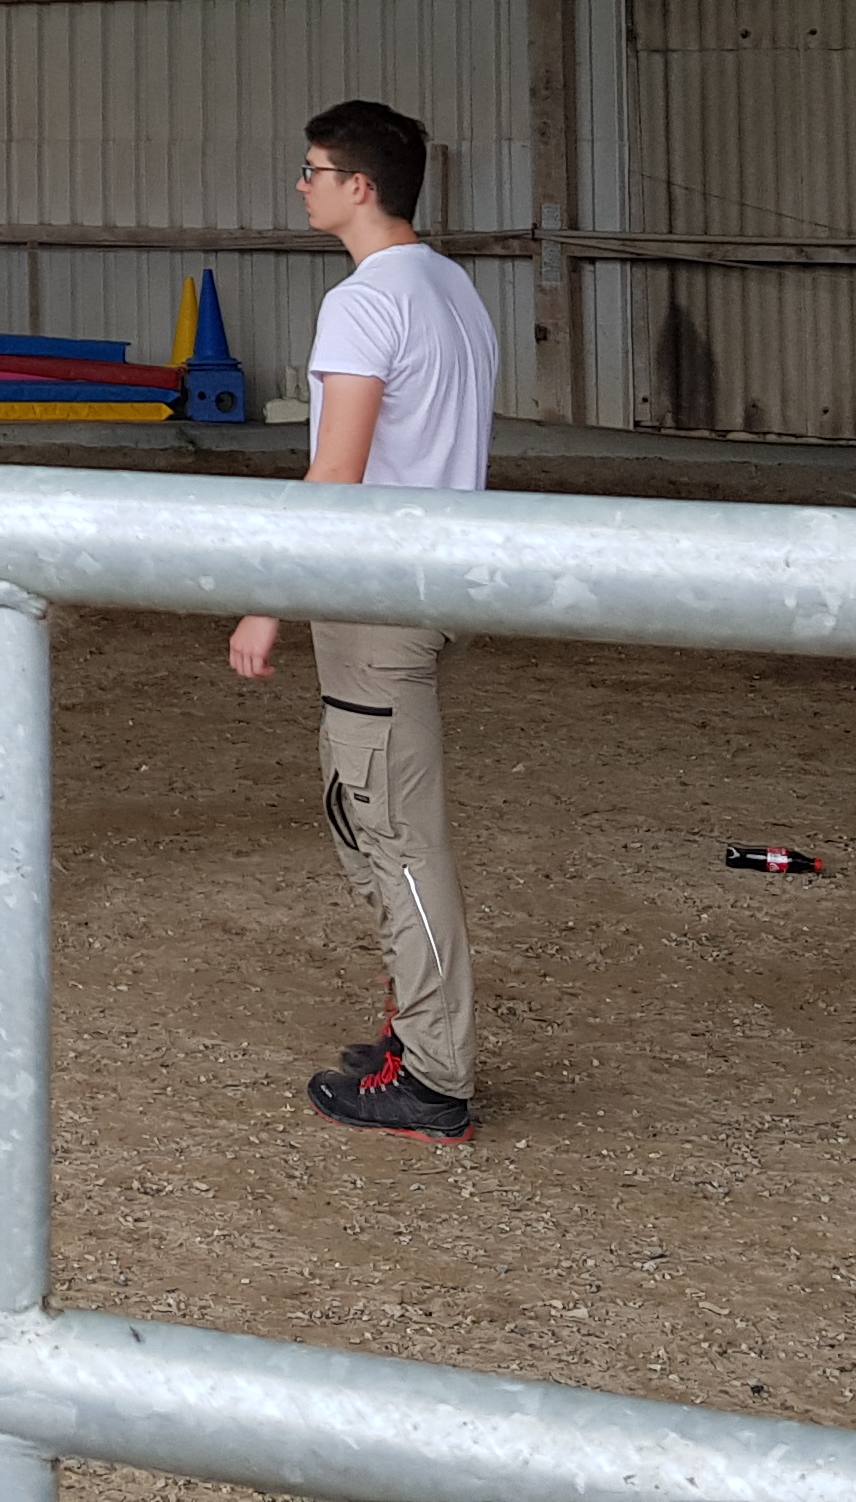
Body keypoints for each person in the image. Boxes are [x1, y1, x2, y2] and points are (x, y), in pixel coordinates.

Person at [230, 99, 498, 1141]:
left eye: (313, 169)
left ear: (360, 186)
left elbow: (335, 473)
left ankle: (434, 1073)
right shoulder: (451, 287)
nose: (301, 185)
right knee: (367, 815)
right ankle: (413, 1031)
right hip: (433, 585)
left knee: (396, 837)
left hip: (380, 598)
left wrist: (267, 598)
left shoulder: (365, 301)